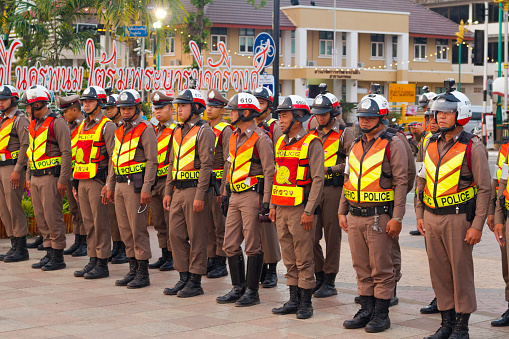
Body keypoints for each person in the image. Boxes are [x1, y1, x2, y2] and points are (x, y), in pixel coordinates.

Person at [415, 80, 491, 339]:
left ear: (461, 115)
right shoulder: (430, 143)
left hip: (459, 219)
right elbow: (421, 179)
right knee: (439, 272)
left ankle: (462, 326)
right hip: (431, 217)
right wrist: (418, 213)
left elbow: (484, 189)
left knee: (461, 273)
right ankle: (446, 323)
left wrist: (477, 225)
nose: (440, 117)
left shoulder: (473, 146)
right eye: (438, 113)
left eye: (446, 113)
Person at [339, 93, 409, 333]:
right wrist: (342, 210)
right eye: (362, 117)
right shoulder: (356, 145)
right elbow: (348, 179)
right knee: (361, 267)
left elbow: (402, 182)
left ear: (382, 118)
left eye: (370, 117)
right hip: (355, 214)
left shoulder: (394, 143)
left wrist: (397, 217)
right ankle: (366, 309)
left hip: (380, 216)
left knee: (381, 268)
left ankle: (381, 314)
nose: (365, 121)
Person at [215, 93, 274, 307]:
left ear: (245, 112)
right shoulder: (232, 135)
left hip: (252, 196)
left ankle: (252, 291)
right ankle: (238, 287)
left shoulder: (262, 138)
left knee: (252, 245)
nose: (229, 114)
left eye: (233, 110)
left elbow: (270, 172)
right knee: (229, 243)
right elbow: (228, 166)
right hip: (234, 196)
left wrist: (266, 203)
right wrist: (224, 192)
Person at [270, 95, 324, 319]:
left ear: (299, 117)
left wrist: (309, 210)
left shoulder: (312, 142)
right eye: (280, 116)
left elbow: (318, 179)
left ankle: (306, 303)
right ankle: (293, 299)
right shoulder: (280, 142)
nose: (280, 120)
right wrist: (273, 205)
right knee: (289, 256)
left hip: (301, 208)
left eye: (284, 116)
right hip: (282, 207)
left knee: (304, 257)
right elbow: (277, 174)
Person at [162, 89, 215, 298]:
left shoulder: (204, 131)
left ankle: (195, 280)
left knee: (197, 236)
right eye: (178, 106)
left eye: (183, 106)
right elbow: (171, 164)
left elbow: (206, 166)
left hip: (195, 189)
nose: (178, 109)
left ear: (195, 108)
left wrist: (200, 195)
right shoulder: (177, 130)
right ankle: (183, 277)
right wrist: (168, 191)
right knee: (175, 234)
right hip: (177, 189)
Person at [106, 89, 158, 289]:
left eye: (129, 108)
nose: (126, 112)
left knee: (137, 229)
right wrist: (110, 185)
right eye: (123, 108)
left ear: (137, 108)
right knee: (125, 230)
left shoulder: (146, 129)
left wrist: (147, 187)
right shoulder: (119, 129)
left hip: (136, 186)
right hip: (119, 184)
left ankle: (143, 272)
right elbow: (114, 160)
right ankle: (132, 268)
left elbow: (152, 161)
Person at [309, 93, 354, 298]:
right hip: (314, 189)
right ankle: (319, 273)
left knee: (332, 237)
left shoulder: (345, 133)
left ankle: (330, 279)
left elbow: (353, 162)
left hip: (334, 189)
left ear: (333, 113)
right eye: (317, 114)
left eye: (324, 114)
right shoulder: (312, 132)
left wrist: (331, 169)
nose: (320, 118)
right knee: (311, 234)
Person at [23, 85, 72, 271]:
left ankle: (58, 256)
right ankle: (49, 251)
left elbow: (67, 152)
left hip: (51, 176)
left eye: (28, 106)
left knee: (53, 216)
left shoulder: (57, 122)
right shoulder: (33, 124)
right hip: (35, 177)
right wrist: (28, 175)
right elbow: (31, 152)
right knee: (41, 217)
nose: (26, 110)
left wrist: (62, 179)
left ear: (38, 104)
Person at [72, 86, 116, 279]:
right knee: (88, 223)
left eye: (90, 101)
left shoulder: (107, 125)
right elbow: (78, 155)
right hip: (82, 179)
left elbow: (114, 157)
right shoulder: (82, 125)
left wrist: (109, 184)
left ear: (100, 103)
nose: (86, 104)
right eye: (84, 101)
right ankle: (92, 259)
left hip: (98, 180)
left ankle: (102, 263)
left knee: (100, 223)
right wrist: (75, 183)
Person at [252, 86, 282, 288]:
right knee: (254, 229)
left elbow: (280, 156)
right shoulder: (248, 126)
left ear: (269, 106)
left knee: (268, 227)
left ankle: (272, 269)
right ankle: (259, 265)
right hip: (251, 184)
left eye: (261, 102)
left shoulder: (274, 126)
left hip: (269, 182)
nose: (257, 106)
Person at [204, 88, 233, 279]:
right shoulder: (204, 128)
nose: (210, 109)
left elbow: (228, 160)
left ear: (223, 110)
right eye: (208, 105)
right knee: (206, 225)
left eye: (215, 107)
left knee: (219, 225)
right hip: (204, 182)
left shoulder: (226, 129)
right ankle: (210, 258)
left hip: (217, 183)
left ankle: (221, 261)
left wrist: (223, 187)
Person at [0, 85, 29, 262]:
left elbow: (25, 146)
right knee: (3, 208)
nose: (1, 102)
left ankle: (21, 247)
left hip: (12, 167)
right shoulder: (2, 119)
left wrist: (18, 169)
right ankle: (13, 244)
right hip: (1, 165)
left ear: (14, 99)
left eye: (4, 99)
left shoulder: (20, 119)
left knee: (14, 206)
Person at [55, 94, 87, 257]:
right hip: (69, 172)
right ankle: (78, 240)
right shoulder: (68, 126)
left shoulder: (84, 125)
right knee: (75, 209)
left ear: (75, 110)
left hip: (82, 173)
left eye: (66, 111)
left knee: (83, 210)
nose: (63, 115)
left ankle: (86, 242)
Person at [148, 90, 176, 272]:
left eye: (162, 108)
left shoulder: (177, 130)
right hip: (154, 181)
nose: (158, 112)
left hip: (168, 181)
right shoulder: (153, 130)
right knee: (159, 222)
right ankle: (164, 254)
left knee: (171, 222)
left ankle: (174, 256)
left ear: (171, 109)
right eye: (156, 108)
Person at [104, 93, 127, 264]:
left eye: (112, 108)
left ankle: (124, 248)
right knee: (113, 216)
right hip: (110, 174)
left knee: (123, 217)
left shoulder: (119, 127)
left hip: (122, 175)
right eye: (107, 108)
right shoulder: (110, 126)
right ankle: (117, 246)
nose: (109, 111)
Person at [490, 140, 509, 327]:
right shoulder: (507, 148)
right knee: (508, 267)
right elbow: (500, 181)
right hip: (507, 214)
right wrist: (496, 216)